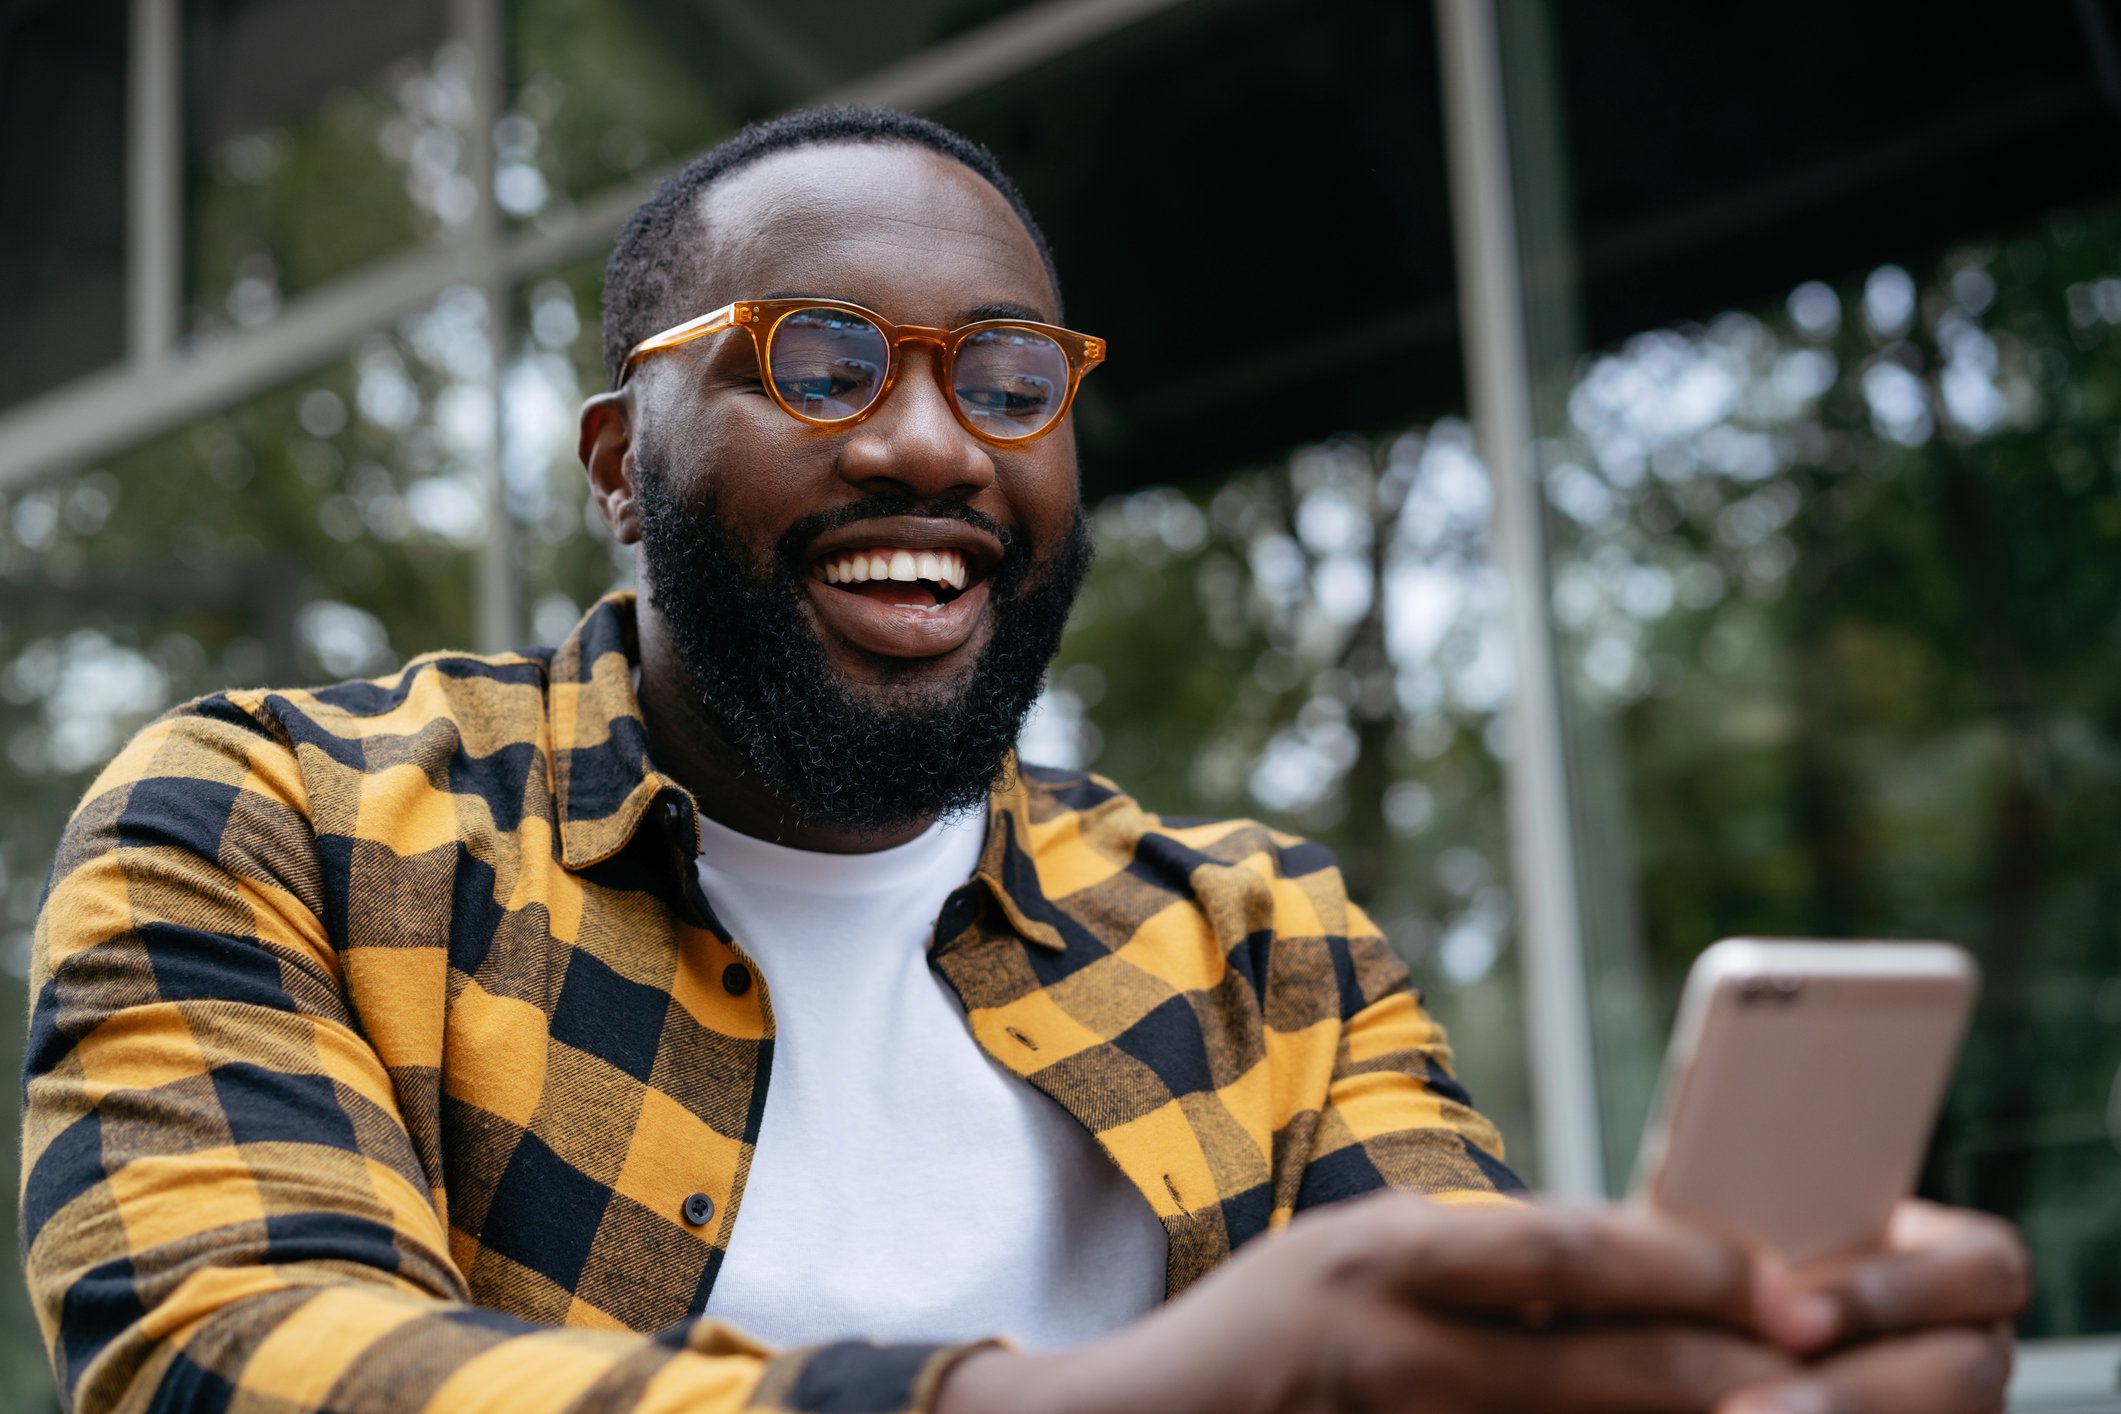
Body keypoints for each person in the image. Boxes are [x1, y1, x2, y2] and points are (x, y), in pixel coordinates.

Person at [21, 105, 2027, 1414]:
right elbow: (220, 1351)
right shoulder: (276, 824)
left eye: (1003, 376)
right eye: (818, 356)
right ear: (624, 468)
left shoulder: (1260, 936)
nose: (928, 445)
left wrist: (1724, 1359)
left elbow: (1447, 1370)